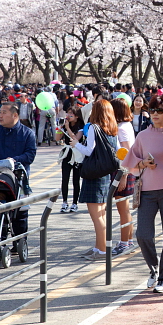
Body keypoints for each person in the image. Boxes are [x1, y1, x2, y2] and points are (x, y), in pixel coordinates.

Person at [122, 94, 163, 293]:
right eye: (152, 110)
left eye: (160, 111)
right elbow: (130, 161)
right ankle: (154, 269)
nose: (154, 114)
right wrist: (143, 164)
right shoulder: (142, 135)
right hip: (146, 191)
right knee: (143, 235)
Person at [70, 99, 118, 260]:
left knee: (96, 216)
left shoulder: (93, 128)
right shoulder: (112, 128)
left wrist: (76, 144)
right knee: (101, 214)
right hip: (105, 173)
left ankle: (103, 250)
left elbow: (89, 151)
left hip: (93, 174)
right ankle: (99, 247)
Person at [0, 103, 37, 238]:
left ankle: (19, 241)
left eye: (4, 112)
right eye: (0, 112)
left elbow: (30, 155)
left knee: (19, 214)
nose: (0, 116)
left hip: (18, 178)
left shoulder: (27, 133)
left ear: (15, 115)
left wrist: (13, 160)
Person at [110, 97, 136, 256]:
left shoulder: (122, 128)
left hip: (123, 172)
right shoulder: (124, 126)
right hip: (125, 171)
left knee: (123, 209)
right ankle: (129, 241)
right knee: (124, 208)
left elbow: (127, 153)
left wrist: (124, 175)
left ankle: (124, 243)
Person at [60, 106, 85, 213]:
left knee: (76, 180)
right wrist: (59, 129)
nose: (68, 116)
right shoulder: (65, 126)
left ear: (76, 116)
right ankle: (64, 202)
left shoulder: (81, 127)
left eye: (71, 114)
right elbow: (57, 138)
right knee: (65, 179)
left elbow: (75, 139)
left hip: (76, 155)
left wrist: (68, 128)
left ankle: (75, 203)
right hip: (67, 154)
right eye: (67, 113)